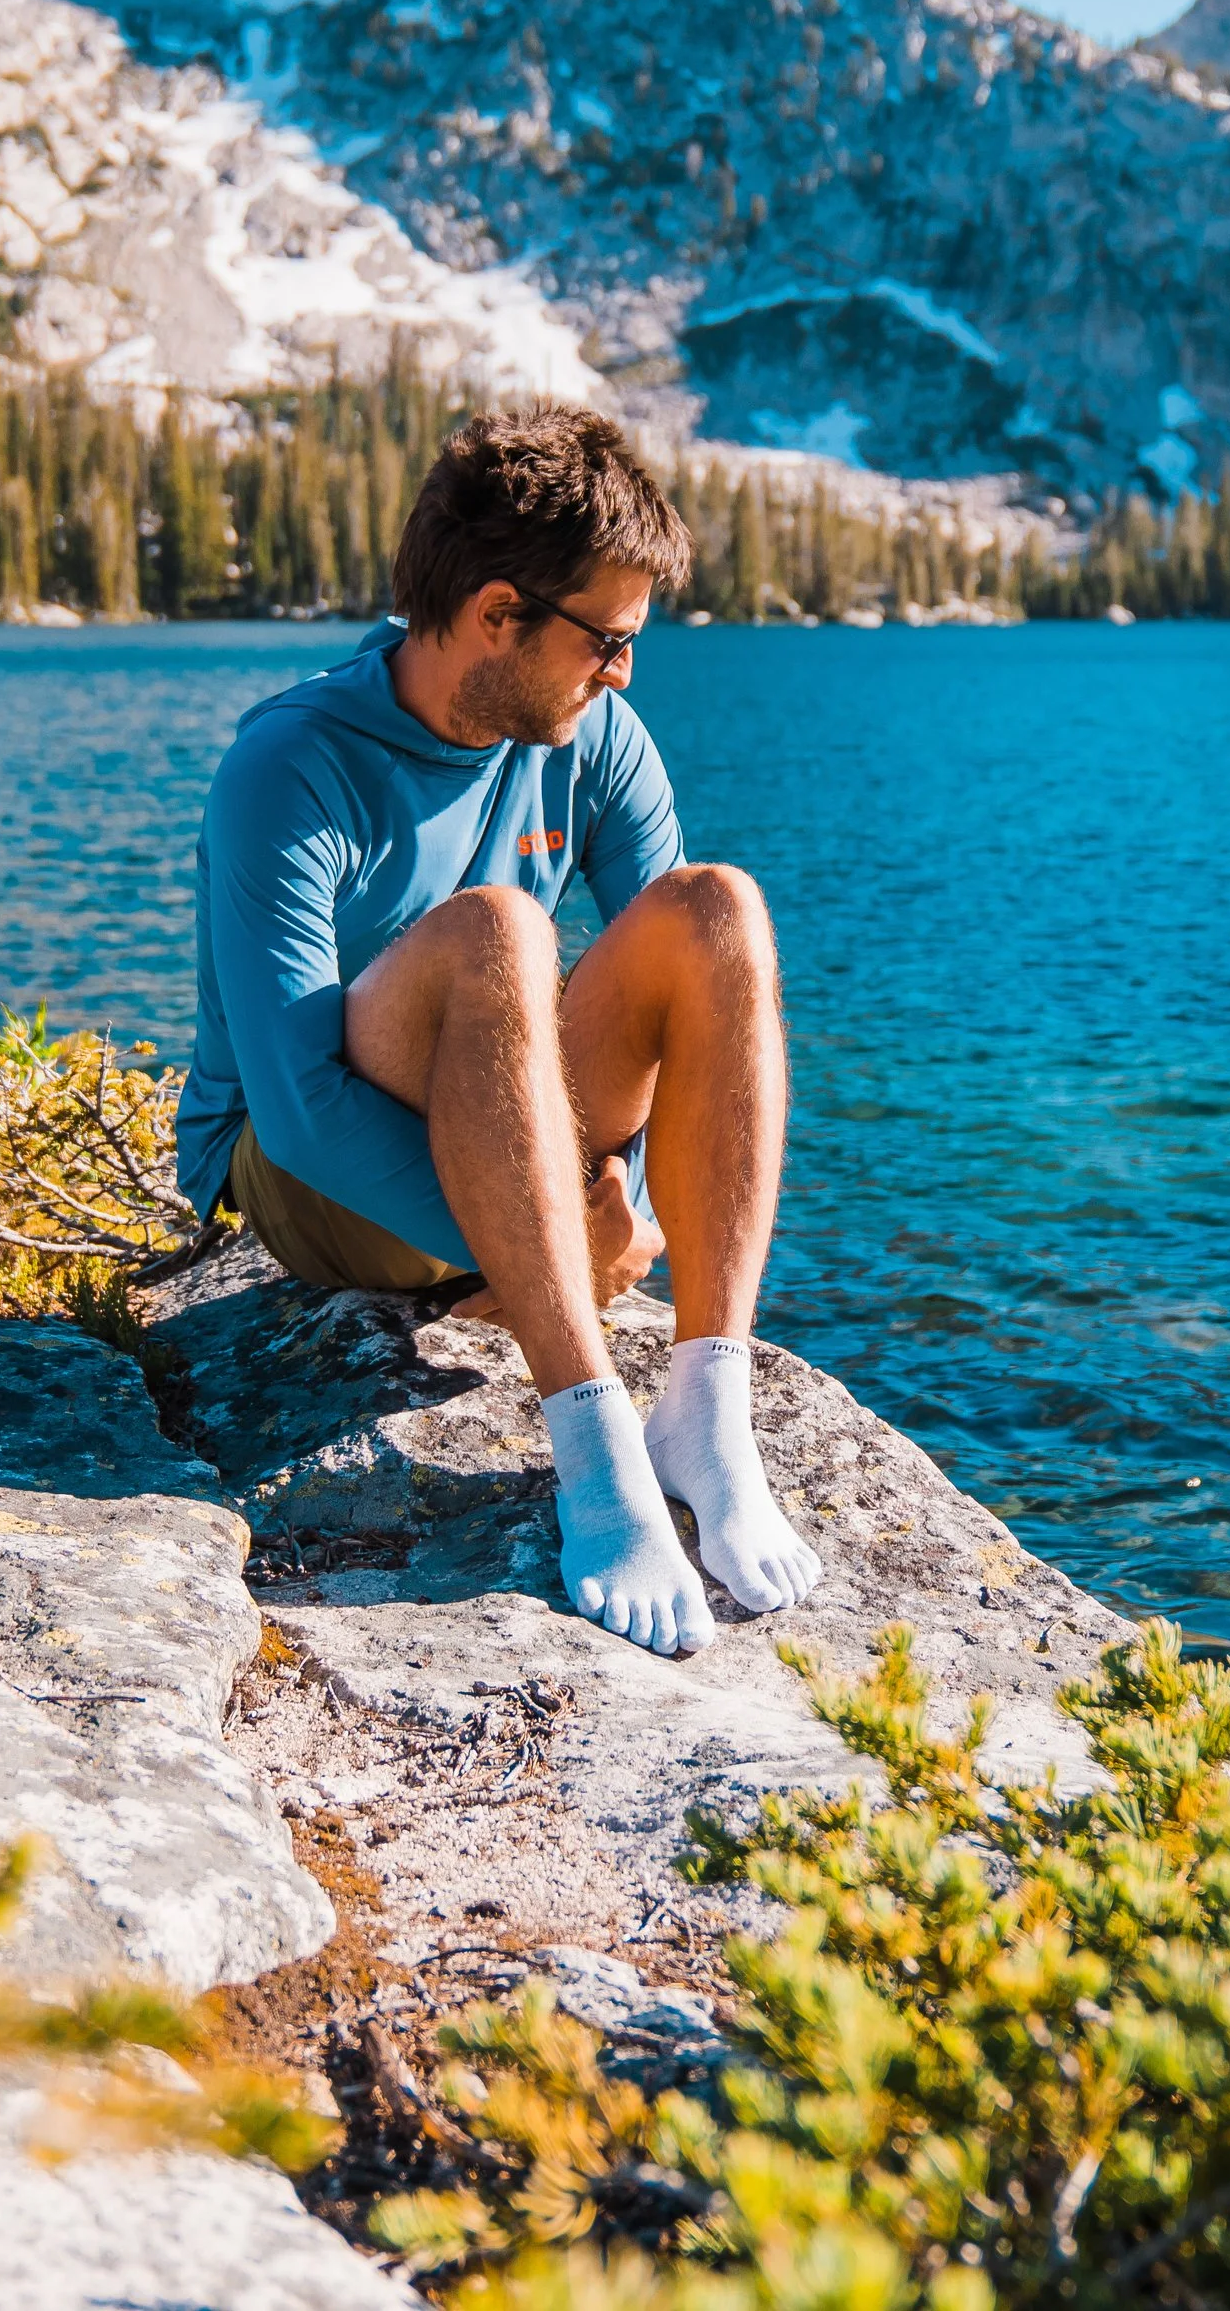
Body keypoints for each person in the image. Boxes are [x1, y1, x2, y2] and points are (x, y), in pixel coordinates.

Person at [177, 402, 822, 1657]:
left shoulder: (597, 738)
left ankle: (704, 1400)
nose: (622, 673)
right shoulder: (290, 766)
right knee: (500, 931)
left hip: (507, 1144)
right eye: (607, 641)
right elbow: (298, 1110)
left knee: (717, 911)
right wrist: (562, 1254)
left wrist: (606, 1192)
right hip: (309, 1181)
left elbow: (677, 1017)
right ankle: (592, 1444)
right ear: (495, 613)